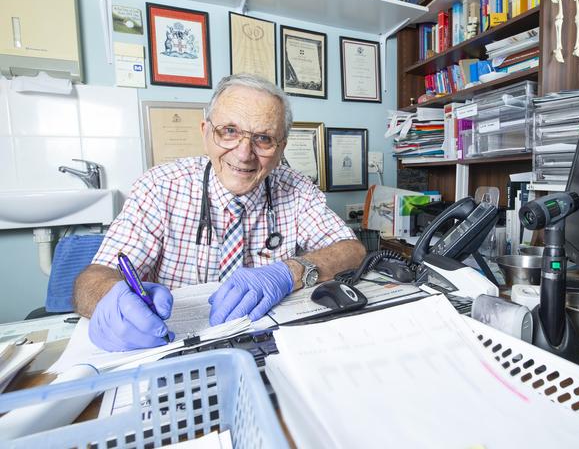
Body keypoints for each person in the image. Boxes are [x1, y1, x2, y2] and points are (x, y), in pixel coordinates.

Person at [73, 74, 366, 352]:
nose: (243, 153)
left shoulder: (298, 189)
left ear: (281, 149)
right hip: (178, 345)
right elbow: (94, 278)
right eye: (229, 131)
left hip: (271, 341)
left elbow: (352, 251)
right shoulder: (159, 187)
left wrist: (290, 272)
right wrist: (109, 299)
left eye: (263, 139)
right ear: (206, 133)